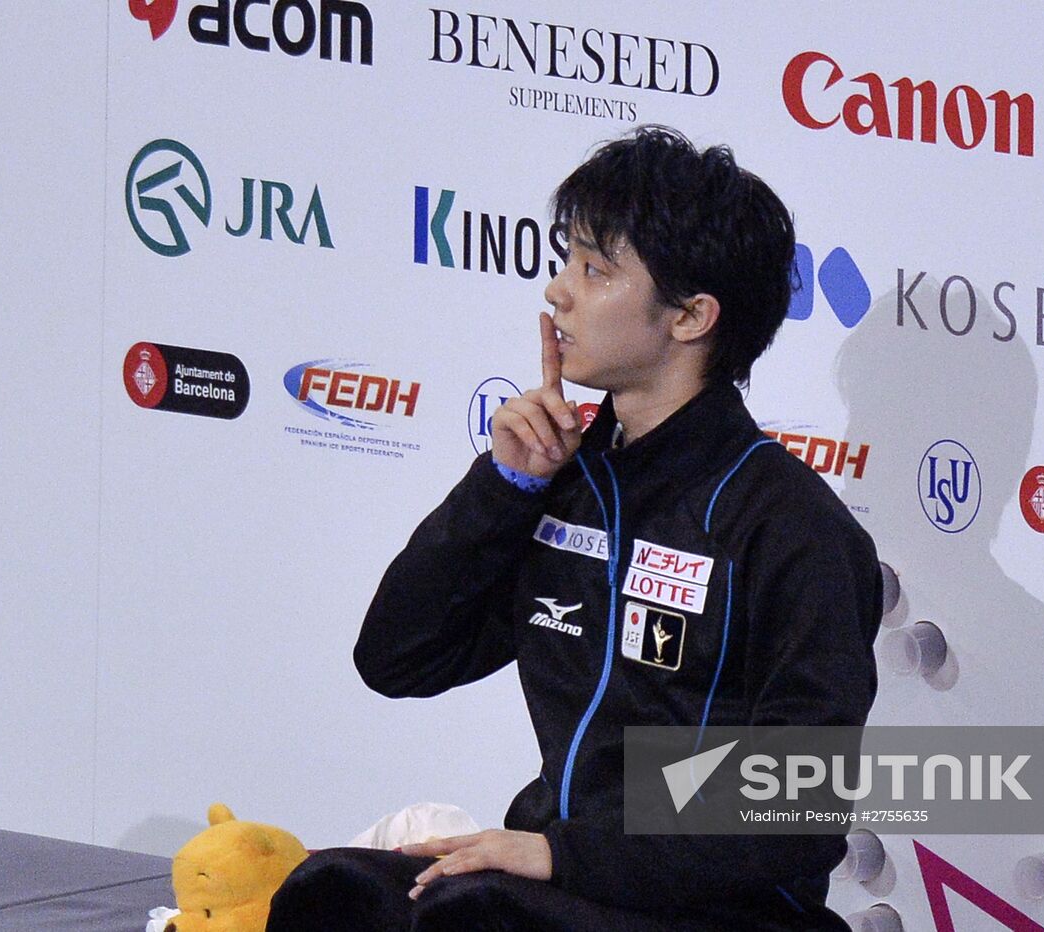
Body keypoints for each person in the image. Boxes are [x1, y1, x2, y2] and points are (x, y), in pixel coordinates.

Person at [267, 126, 882, 931]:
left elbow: (796, 806)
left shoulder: (788, 526)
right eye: (567, 262)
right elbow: (398, 658)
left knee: (478, 916)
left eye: (596, 270)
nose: (558, 292)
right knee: (331, 894)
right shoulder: (567, 479)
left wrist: (566, 855)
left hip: (726, 910)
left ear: (691, 316)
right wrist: (506, 484)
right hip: (560, 876)